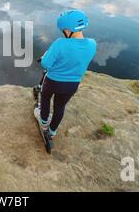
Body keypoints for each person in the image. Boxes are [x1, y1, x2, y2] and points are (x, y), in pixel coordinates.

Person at [34, 10, 97, 139]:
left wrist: (45, 56)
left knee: (45, 98)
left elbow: (45, 64)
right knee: (60, 106)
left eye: (62, 30)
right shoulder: (92, 44)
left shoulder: (60, 44)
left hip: (53, 82)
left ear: (68, 31)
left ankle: (44, 122)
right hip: (72, 84)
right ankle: (52, 131)